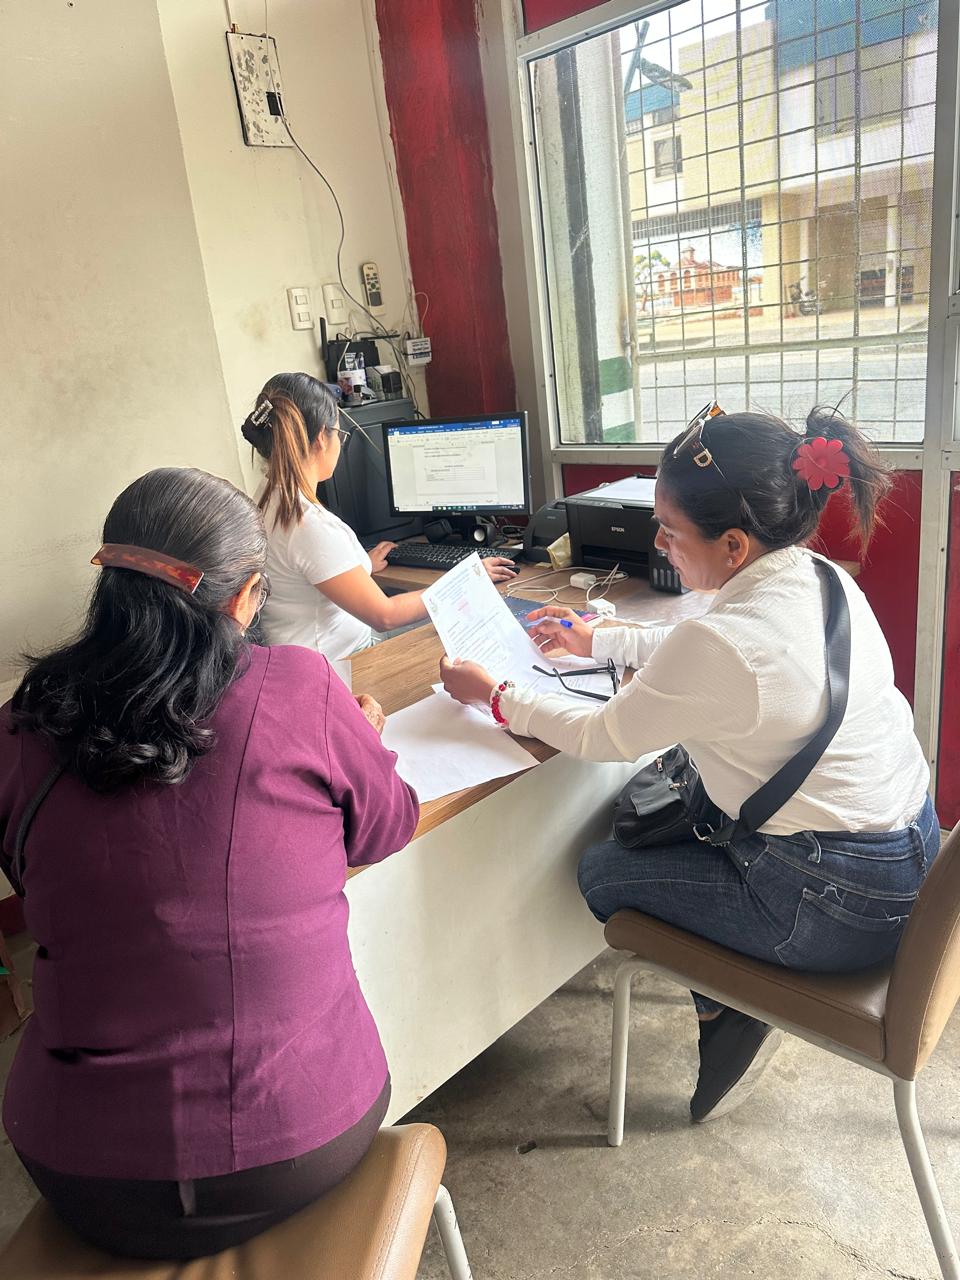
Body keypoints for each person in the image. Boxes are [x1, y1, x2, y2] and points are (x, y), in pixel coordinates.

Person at [439, 406, 938, 1124]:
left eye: (669, 531)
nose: (658, 543)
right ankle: (737, 966)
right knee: (680, 787)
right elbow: (711, 649)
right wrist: (600, 639)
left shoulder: (727, 643)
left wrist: (496, 696)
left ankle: (727, 1004)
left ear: (733, 545)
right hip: (909, 852)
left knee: (602, 871)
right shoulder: (820, 577)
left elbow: (605, 735)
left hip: (833, 902)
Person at [0, 467, 419, 1260]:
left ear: (108, 582)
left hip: (73, 1166)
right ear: (246, 597)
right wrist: (359, 739)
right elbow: (384, 828)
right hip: (297, 1138)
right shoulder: (301, 688)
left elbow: (34, 871)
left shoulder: (23, 720)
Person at [240, 372, 517, 658]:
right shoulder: (308, 524)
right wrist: (466, 580)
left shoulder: (268, 497)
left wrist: (361, 565)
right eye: (339, 434)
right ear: (322, 437)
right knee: (467, 627)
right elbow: (386, 615)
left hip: (306, 654)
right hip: (343, 662)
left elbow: (311, 572)